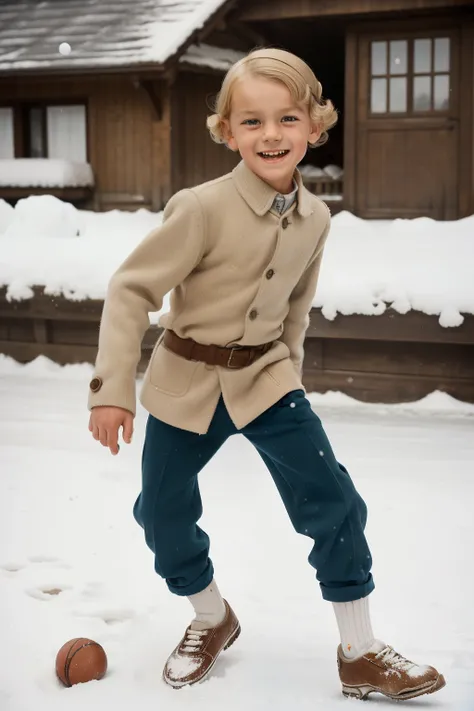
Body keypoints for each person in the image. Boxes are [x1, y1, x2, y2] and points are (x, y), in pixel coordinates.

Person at [87, 48, 445, 701]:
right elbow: (129, 288)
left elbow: (296, 312)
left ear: (315, 125)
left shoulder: (316, 218)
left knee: (333, 499)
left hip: (268, 383)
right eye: (251, 122)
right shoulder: (200, 208)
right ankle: (210, 616)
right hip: (186, 382)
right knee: (162, 513)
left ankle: (360, 651)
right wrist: (112, 390)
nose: (271, 134)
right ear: (228, 132)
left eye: (287, 118)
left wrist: (292, 384)